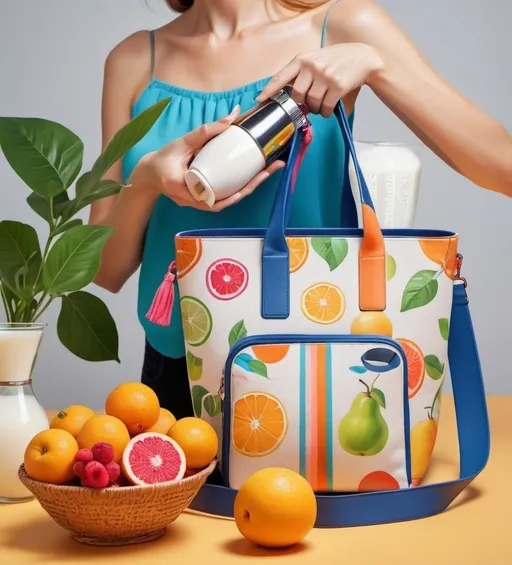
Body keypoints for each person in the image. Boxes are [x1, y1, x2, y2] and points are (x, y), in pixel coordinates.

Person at [91, 0, 512, 420]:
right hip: (178, 364)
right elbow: (104, 270)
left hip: (315, 358)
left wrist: (376, 64)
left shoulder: (345, 23)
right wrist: (145, 182)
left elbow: (501, 167)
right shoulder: (132, 61)